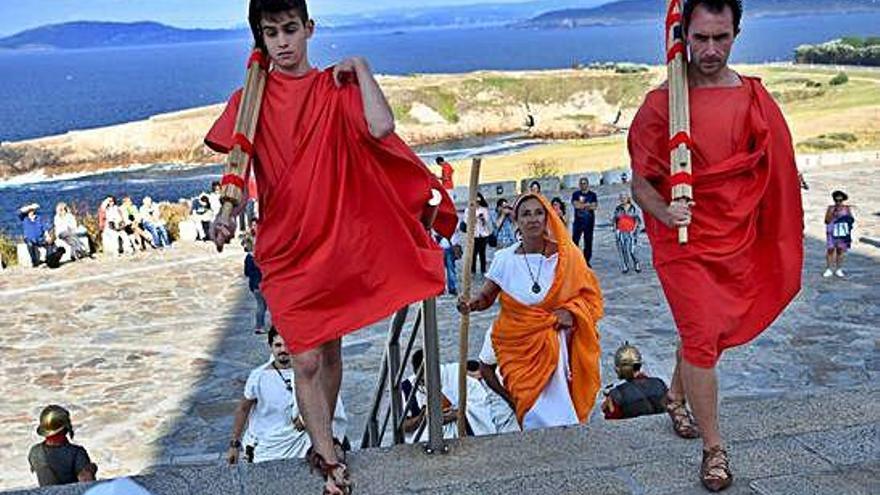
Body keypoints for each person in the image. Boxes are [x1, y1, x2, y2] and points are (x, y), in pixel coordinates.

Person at [206, 1, 456, 492]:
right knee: (305, 358)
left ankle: (325, 438)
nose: (282, 41)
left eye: (290, 29)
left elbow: (382, 127)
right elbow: (237, 165)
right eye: (271, 32)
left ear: (309, 29)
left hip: (333, 241)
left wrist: (361, 67)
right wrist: (226, 213)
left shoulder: (333, 87)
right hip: (284, 247)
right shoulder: (248, 99)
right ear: (260, 36)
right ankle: (323, 451)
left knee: (331, 350)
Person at [627, 1, 803, 490]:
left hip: (734, 233)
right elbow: (642, 182)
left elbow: (770, 163)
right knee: (703, 334)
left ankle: (675, 397)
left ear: (736, 34)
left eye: (720, 38)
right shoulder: (660, 104)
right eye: (700, 38)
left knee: (710, 329)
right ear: (682, 35)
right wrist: (664, 212)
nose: (710, 50)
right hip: (681, 240)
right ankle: (714, 449)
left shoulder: (752, 97)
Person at [457, 194, 603, 430]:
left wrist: (572, 313)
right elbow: (486, 297)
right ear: (516, 220)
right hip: (520, 349)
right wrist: (471, 304)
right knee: (531, 411)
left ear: (547, 217)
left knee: (563, 415)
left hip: (557, 348)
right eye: (526, 214)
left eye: (538, 212)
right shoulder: (504, 259)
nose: (533, 219)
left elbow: (591, 297)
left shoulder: (567, 257)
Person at [227, 327, 348, 464]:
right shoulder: (258, 377)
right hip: (268, 447)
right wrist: (234, 445)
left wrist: (304, 419)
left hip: (304, 443)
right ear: (270, 347)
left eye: (287, 345)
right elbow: (243, 409)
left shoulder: (310, 373)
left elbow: (329, 400)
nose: (283, 350)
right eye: (278, 345)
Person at [400, 350, 495, 441]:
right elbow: (403, 426)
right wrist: (423, 417)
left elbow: (480, 404)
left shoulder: (456, 374)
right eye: (422, 381)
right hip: (425, 439)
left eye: (429, 377)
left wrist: (458, 414)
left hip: (462, 433)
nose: (427, 383)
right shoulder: (407, 388)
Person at [28, 405, 97, 486]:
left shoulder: (35, 452)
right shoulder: (77, 453)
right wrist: (90, 471)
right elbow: (86, 483)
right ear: (65, 428)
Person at [477, 325, 521, 434]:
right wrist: (510, 399)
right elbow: (485, 368)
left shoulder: (551, 322)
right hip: (511, 397)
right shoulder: (500, 328)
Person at [824, 190, 854, 278]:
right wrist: (833, 213)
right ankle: (829, 268)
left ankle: (838, 269)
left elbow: (851, 219)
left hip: (842, 232)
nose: (838, 202)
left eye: (840, 200)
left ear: (843, 200)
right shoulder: (830, 208)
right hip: (832, 231)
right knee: (830, 250)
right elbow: (826, 220)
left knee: (840, 250)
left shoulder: (847, 209)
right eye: (836, 200)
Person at [243, 233, 268, 333]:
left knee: (260, 305)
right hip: (262, 284)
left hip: (253, 285)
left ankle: (259, 325)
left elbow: (246, 272)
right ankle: (260, 326)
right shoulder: (260, 257)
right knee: (263, 306)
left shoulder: (248, 258)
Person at [571, 177, 598, 266]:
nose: (583, 185)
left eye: (584, 183)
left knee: (588, 241)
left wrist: (582, 205)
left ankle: (586, 260)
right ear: (579, 185)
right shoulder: (575, 194)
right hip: (578, 222)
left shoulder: (592, 195)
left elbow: (594, 206)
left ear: (587, 184)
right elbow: (576, 205)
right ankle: (575, 259)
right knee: (575, 241)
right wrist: (587, 205)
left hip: (589, 222)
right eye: (581, 183)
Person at [612, 192, 642, 274]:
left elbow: (638, 220)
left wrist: (635, 230)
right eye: (621, 197)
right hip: (621, 231)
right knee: (623, 249)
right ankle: (625, 266)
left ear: (628, 198)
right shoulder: (618, 209)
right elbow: (614, 220)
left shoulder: (633, 208)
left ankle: (636, 263)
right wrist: (615, 229)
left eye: (624, 197)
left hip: (631, 232)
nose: (622, 199)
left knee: (632, 250)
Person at [470, 192, 492, 276]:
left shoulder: (484, 209)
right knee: (473, 253)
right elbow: (466, 221)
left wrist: (482, 218)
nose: (477, 203)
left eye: (478, 202)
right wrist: (474, 218)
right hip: (474, 234)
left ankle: (483, 270)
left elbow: (487, 221)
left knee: (482, 253)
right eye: (476, 201)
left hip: (483, 234)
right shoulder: (469, 210)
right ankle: (473, 270)